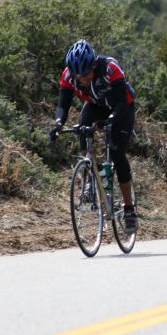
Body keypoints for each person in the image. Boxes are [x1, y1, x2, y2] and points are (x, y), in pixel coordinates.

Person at [50, 39, 138, 234]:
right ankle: (91, 176)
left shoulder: (110, 69)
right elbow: (62, 105)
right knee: (82, 129)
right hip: (96, 106)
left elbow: (122, 103)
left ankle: (129, 208)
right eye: (78, 76)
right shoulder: (68, 76)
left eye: (87, 74)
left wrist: (110, 121)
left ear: (94, 65)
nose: (83, 80)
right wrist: (58, 124)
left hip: (121, 108)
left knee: (117, 152)